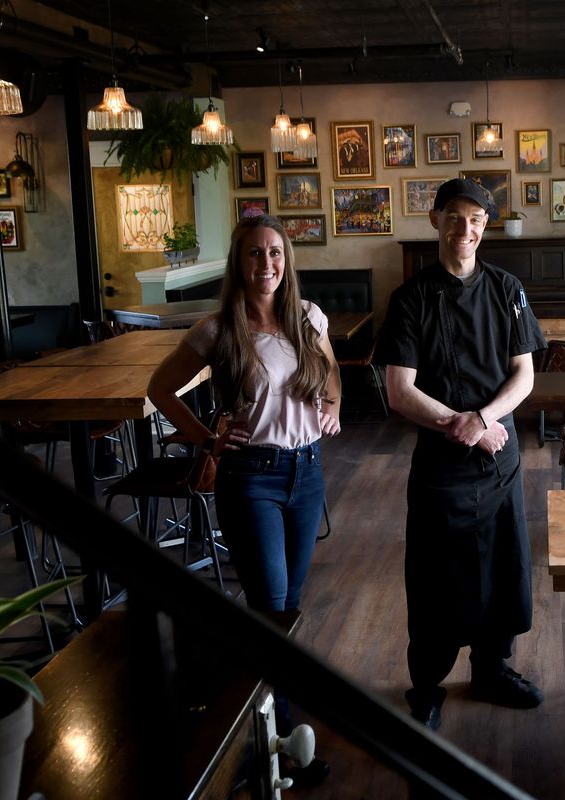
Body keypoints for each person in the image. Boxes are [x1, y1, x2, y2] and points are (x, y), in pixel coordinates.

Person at [147, 214, 340, 779]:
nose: (266, 264)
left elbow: (331, 379)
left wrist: (332, 408)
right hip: (249, 476)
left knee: (288, 603)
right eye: (255, 254)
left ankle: (272, 736)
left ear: (287, 260)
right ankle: (273, 744)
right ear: (239, 263)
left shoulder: (307, 317)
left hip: (307, 473)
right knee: (269, 610)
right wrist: (208, 438)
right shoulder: (217, 331)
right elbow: (160, 388)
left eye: (275, 253)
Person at [375, 178, 547, 731]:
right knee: (435, 578)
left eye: (475, 220)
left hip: (499, 458)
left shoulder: (507, 289)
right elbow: (400, 390)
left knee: (503, 566)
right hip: (442, 467)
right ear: (435, 220)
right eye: (454, 217)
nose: (465, 230)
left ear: (485, 226)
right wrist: (461, 424)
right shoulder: (410, 298)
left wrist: (486, 419)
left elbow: (524, 373)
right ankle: (426, 686)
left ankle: (491, 668)